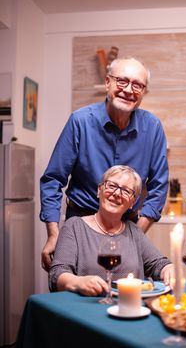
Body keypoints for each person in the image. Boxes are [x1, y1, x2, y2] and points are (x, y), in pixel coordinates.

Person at [40, 57, 169, 271]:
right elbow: (53, 180)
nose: (128, 90)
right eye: (122, 81)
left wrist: (135, 233)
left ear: (144, 92)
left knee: (124, 293)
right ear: (107, 82)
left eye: (137, 85)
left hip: (126, 224)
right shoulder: (80, 121)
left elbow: (159, 186)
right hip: (79, 223)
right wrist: (53, 234)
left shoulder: (153, 127)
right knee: (76, 289)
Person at [49, 165, 173, 295]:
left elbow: (159, 264)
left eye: (126, 191)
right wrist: (77, 282)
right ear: (99, 190)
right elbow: (56, 274)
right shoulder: (74, 226)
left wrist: (168, 268)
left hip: (130, 309)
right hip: (87, 308)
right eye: (112, 186)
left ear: (132, 202)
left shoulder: (134, 231)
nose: (117, 194)